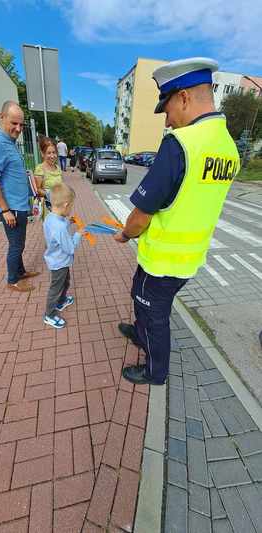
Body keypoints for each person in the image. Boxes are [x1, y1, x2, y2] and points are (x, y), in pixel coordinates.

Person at [114, 57, 240, 385]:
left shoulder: (181, 144)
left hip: (162, 260)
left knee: (154, 314)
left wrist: (125, 234)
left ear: (183, 97)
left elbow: (142, 214)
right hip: (190, 259)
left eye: (167, 108)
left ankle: (156, 371)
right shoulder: (228, 147)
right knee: (142, 299)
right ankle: (141, 334)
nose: (168, 121)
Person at [0, 100, 40, 292]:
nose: (18, 128)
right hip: (12, 208)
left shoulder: (10, 142)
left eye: (21, 124)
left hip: (19, 205)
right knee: (16, 245)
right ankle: (13, 280)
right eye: (14, 123)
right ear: (2, 117)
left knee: (19, 243)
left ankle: (21, 271)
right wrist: (6, 210)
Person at [43, 183, 84, 329]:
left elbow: (59, 223)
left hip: (59, 261)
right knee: (56, 288)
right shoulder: (59, 227)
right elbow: (70, 248)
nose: (71, 209)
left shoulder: (50, 217)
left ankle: (61, 302)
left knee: (65, 282)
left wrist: (68, 221)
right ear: (66, 205)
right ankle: (49, 314)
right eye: (71, 206)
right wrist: (79, 234)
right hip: (59, 262)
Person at [34, 137, 63, 209]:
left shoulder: (58, 168)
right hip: (47, 207)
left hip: (58, 205)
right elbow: (37, 189)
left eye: (54, 152)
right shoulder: (40, 169)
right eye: (49, 153)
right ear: (42, 154)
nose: (52, 156)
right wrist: (49, 194)